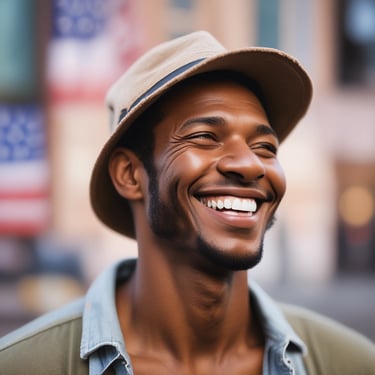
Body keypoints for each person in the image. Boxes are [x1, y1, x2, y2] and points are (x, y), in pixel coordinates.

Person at [0, 30, 374, 375]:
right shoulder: (23, 366)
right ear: (130, 175)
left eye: (265, 147)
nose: (248, 164)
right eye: (205, 137)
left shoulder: (351, 363)